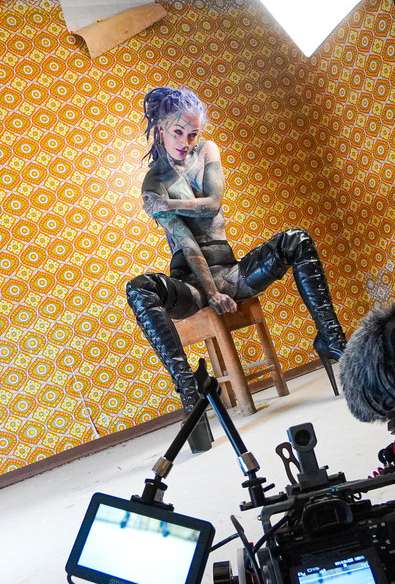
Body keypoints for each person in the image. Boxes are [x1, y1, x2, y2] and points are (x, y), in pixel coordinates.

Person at [125, 87, 347, 451]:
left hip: (231, 270)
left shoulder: (206, 152)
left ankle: (332, 340)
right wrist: (211, 292)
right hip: (191, 284)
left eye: (192, 133)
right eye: (178, 132)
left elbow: (213, 203)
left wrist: (167, 205)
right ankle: (189, 389)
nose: (185, 141)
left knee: (296, 240)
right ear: (160, 128)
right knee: (139, 287)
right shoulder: (153, 183)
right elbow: (186, 242)